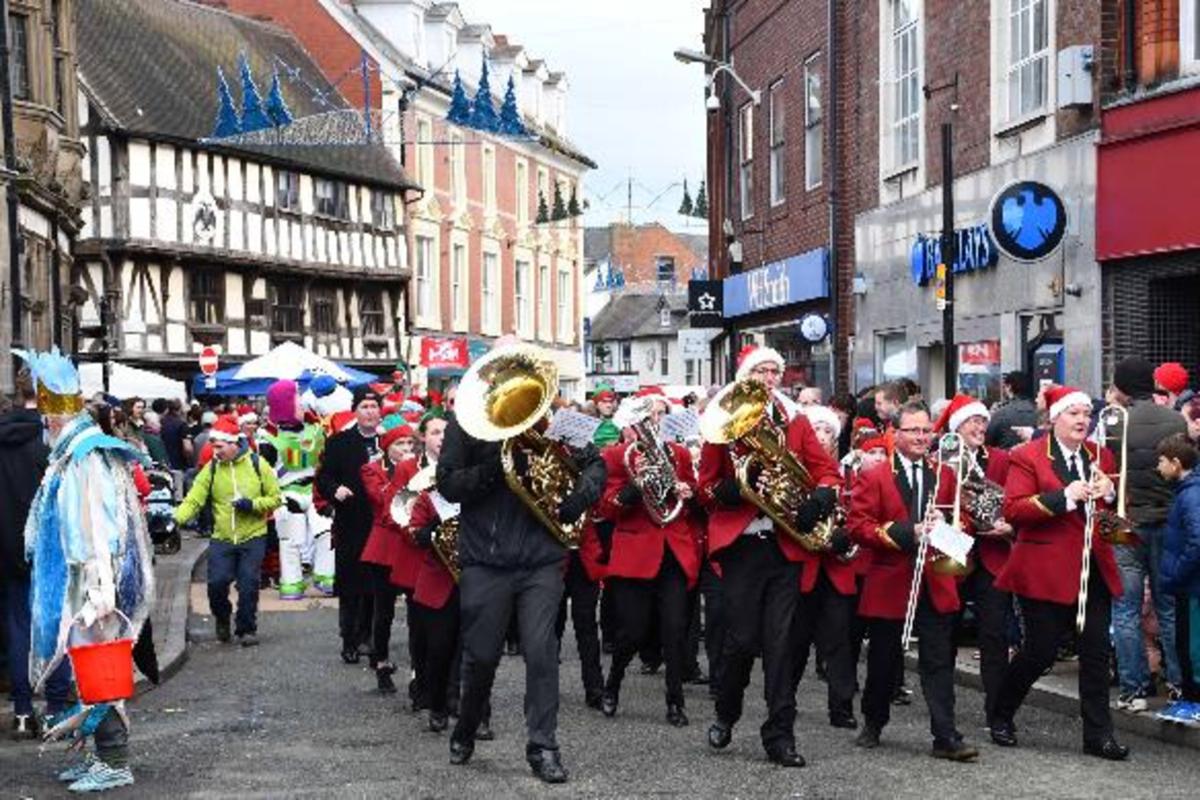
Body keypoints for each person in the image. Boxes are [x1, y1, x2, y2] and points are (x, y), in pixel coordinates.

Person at [439, 340, 606, 784]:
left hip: (540, 561)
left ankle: (543, 746)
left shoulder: (554, 422)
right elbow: (449, 485)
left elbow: (596, 466)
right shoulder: (466, 425)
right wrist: (495, 468)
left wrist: (578, 498)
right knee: (482, 655)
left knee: (541, 651)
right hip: (486, 561)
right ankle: (467, 725)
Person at [18, 348, 155, 792]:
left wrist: (100, 588)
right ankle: (98, 754)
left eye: (44, 414)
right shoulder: (71, 453)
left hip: (94, 582)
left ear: (54, 417)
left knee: (101, 667)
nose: (42, 423)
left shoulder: (84, 457)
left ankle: (115, 760)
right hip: (81, 580)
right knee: (84, 667)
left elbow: (98, 524)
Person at [699, 345, 841, 767]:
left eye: (774, 371)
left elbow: (826, 469)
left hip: (784, 545)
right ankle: (727, 711)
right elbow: (706, 486)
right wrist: (730, 490)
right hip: (744, 545)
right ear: (745, 375)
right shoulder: (723, 422)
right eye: (760, 370)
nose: (768, 377)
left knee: (781, 645)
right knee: (742, 639)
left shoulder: (793, 420)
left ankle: (779, 735)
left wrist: (820, 496)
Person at [990, 385, 1128, 760]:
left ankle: (1098, 735)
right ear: (1054, 419)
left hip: (1092, 568)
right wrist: (1064, 497)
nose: (1083, 419)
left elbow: (1113, 518)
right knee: (1040, 652)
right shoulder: (1028, 456)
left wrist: (1110, 491)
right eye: (1074, 413)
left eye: (1087, 413)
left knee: (1096, 654)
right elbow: (1015, 509)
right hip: (1044, 569)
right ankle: (1001, 712)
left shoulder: (1101, 455)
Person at [847, 401, 977, 762]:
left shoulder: (945, 474)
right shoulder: (875, 475)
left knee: (938, 660)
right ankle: (874, 721)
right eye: (913, 431)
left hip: (934, 579)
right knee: (885, 660)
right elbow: (858, 527)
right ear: (896, 433)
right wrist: (911, 532)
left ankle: (945, 736)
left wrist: (948, 526)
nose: (922, 437)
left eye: (926, 430)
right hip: (892, 580)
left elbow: (963, 521)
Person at [597, 392, 701, 727]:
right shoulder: (617, 457)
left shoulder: (679, 454)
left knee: (674, 629)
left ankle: (675, 701)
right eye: (647, 415)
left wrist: (688, 491)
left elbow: (695, 499)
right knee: (633, 632)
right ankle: (612, 684)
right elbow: (606, 508)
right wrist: (633, 488)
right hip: (636, 554)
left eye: (659, 415)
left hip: (673, 549)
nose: (653, 421)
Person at [1107, 357, 1188, 710]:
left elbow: (1105, 469)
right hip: (1168, 522)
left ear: (1122, 386)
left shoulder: (1115, 421)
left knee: (1124, 610)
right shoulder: (1174, 419)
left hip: (1126, 524)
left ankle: (1133, 688)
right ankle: (1177, 684)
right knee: (1169, 607)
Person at [934, 394, 1013, 731]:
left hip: (993, 554)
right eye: (973, 421)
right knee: (946, 631)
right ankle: (943, 709)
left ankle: (998, 714)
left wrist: (1011, 524)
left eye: (983, 421)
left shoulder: (1000, 458)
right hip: (955, 550)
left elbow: (1015, 498)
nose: (980, 427)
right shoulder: (942, 460)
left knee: (994, 634)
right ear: (957, 427)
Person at [0, 368, 71, 739]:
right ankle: (57, 706)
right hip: (47, 546)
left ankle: (24, 711)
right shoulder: (53, 443)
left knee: (17, 627)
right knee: (54, 624)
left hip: (7, 547)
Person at [175, 417, 281, 646]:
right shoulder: (212, 469)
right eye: (213, 446)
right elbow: (194, 499)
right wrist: (175, 519)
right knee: (216, 584)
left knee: (248, 583)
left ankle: (246, 629)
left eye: (219, 447)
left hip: (253, 535)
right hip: (222, 537)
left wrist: (251, 505)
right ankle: (222, 618)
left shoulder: (257, 464)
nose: (215, 451)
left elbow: (275, 498)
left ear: (234, 444)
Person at [791, 404, 859, 730]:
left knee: (839, 639)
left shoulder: (849, 471)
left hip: (835, 566)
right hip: (801, 565)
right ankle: (784, 699)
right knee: (795, 641)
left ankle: (842, 706)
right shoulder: (793, 472)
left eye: (828, 431)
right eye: (815, 430)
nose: (820, 436)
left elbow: (860, 513)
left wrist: (846, 535)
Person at [315, 386, 384, 664]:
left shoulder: (386, 442)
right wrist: (335, 491)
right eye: (365, 407)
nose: (370, 412)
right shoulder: (339, 442)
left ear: (381, 411)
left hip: (380, 523)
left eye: (374, 407)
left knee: (374, 584)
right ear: (355, 411)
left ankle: (368, 636)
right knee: (350, 584)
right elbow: (323, 478)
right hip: (350, 521)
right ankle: (349, 639)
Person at [360, 421, 422, 696]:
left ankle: (418, 670)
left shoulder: (421, 469)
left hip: (409, 544)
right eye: (400, 444)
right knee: (383, 610)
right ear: (387, 447)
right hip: (385, 545)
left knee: (417, 612)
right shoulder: (372, 469)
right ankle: (381, 662)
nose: (406, 449)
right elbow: (382, 501)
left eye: (410, 444)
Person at [259, 380, 335, 600]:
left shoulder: (317, 429)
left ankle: (326, 575)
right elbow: (266, 472)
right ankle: (291, 582)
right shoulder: (268, 436)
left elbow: (327, 461)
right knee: (291, 540)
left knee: (327, 532)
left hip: (315, 490)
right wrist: (277, 498)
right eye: (295, 398)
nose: (301, 403)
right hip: (286, 492)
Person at [1157, 435, 1200, 709]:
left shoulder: (1191, 494)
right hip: (1189, 583)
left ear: (1176, 463)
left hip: (1192, 584)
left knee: (1192, 646)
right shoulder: (1187, 491)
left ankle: (1194, 700)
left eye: (1161, 461)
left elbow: (1197, 539)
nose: (1158, 467)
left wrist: (1176, 574)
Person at [986, 371, 1038, 449]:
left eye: (1004, 387)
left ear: (1009, 387)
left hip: (1006, 458)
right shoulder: (1039, 412)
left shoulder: (1001, 413)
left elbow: (988, 440)